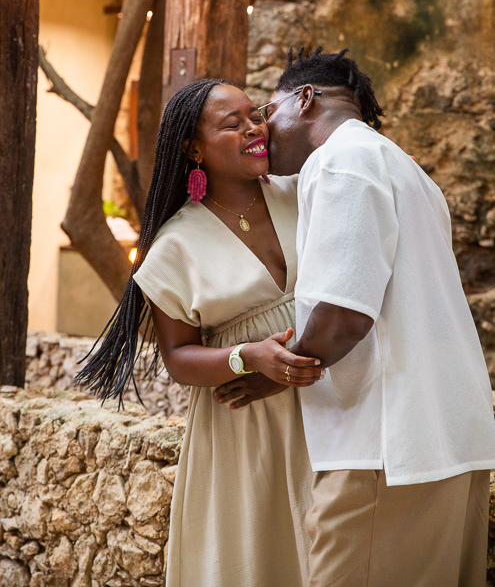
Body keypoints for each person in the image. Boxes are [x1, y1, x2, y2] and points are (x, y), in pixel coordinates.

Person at [217, 47, 495, 587]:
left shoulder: (341, 161)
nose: (263, 131)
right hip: (450, 441)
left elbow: (344, 314)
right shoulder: (408, 171)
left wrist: (272, 374)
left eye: (266, 112)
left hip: (384, 449)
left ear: (305, 98)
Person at [77, 79, 324, 587]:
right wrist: (248, 357)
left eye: (255, 114)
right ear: (194, 148)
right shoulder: (175, 245)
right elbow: (179, 358)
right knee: (262, 557)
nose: (254, 128)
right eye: (232, 124)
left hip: (331, 402)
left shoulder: (304, 192)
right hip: (248, 425)